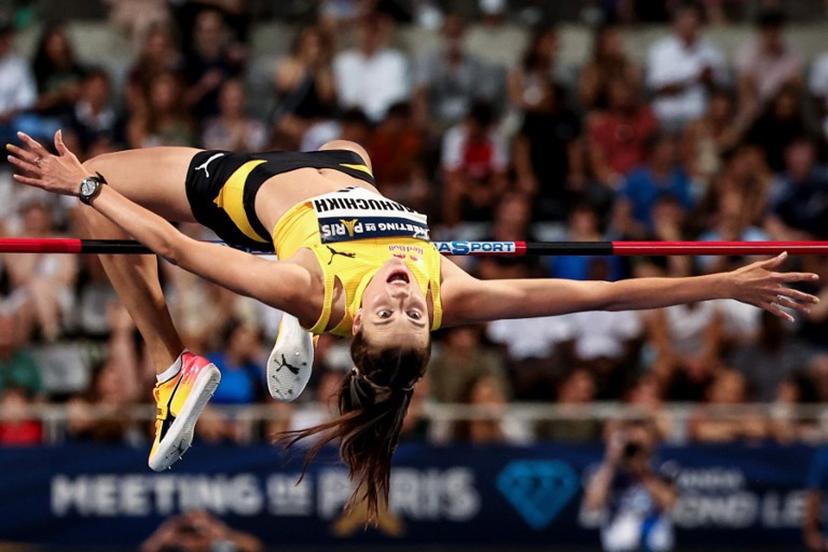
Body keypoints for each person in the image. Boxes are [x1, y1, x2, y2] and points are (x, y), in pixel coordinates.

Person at [6, 130, 819, 520]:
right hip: (347, 172)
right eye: (411, 312)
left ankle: (171, 365)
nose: (402, 291)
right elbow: (603, 297)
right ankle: (299, 340)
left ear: (356, 318)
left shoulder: (313, 283)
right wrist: (724, 282)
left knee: (112, 196)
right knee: (347, 142)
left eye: (385, 309)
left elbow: (176, 246)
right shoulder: (449, 289)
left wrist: (83, 186)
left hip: (246, 192)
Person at [584, 419, 678, 552]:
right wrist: (611, 462)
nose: (635, 449)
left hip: (654, 541)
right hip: (619, 542)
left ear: (652, 443)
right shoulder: (606, 471)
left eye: (640, 443)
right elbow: (593, 504)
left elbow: (669, 502)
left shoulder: (663, 468)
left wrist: (643, 472)